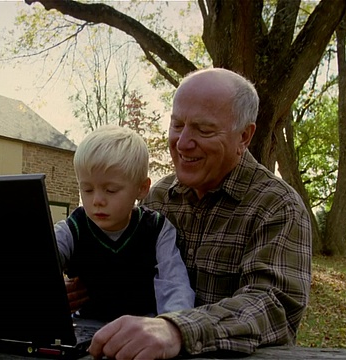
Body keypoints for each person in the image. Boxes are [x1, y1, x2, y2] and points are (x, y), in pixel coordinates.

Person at [80, 68, 312, 359]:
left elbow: (273, 305)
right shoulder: (158, 199)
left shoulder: (277, 206)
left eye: (204, 130)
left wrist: (176, 329)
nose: (183, 142)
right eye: (177, 125)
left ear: (244, 136)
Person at [54, 124, 195, 322]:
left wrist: (170, 327)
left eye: (111, 190)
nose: (97, 200)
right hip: (83, 327)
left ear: (141, 188)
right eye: (86, 189)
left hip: (141, 328)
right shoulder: (73, 228)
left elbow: (175, 286)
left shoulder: (156, 229)